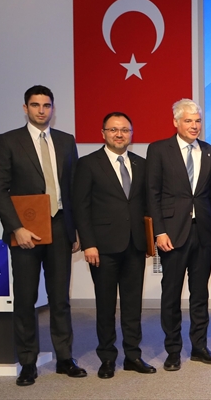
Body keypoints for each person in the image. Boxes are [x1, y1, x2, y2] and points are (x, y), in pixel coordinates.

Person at [0, 85, 84, 386]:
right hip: (26, 230)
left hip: (59, 226)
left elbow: (74, 189)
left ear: (53, 109)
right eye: (35, 105)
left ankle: (65, 358)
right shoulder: (8, 141)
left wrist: (76, 229)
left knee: (60, 298)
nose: (41, 110)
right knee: (26, 298)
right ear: (25, 108)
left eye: (46, 105)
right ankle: (28, 362)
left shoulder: (66, 141)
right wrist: (16, 227)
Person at [73, 112, 156, 379]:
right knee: (106, 306)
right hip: (103, 248)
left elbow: (147, 204)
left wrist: (149, 239)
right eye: (113, 130)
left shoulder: (141, 164)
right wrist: (88, 244)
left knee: (132, 305)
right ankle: (107, 358)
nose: (119, 134)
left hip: (135, 245)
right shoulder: (88, 164)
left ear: (131, 134)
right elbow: (81, 207)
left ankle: (133, 356)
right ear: (103, 133)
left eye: (125, 130)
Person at [146, 98, 211, 371]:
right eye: (188, 121)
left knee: (200, 294)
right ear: (176, 122)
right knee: (171, 294)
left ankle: (199, 347)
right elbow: (152, 193)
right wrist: (159, 231)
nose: (194, 125)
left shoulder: (210, 151)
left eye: (197, 121)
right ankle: (173, 350)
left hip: (203, 233)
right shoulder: (159, 150)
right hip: (172, 233)